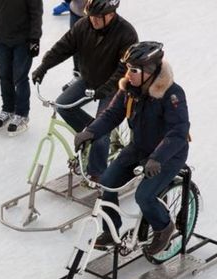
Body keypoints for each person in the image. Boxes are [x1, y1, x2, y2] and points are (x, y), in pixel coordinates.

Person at [73, 41, 190, 256]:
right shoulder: (130, 90)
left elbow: (178, 131)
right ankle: (111, 230)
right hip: (139, 148)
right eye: (128, 68)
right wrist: (90, 131)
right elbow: (111, 114)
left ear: (150, 71)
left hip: (167, 155)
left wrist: (157, 158)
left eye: (134, 70)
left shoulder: (172, 94)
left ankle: (164, 227)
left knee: (144, 196)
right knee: (107, 183)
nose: (129, 73)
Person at [32, 0, 137, 182]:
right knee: (63, 105)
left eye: (97, 17)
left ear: (110, 15)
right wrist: (44, 66)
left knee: (101, 125)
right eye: (90, 16)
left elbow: (124, 70)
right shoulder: (84, 25)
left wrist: (104, 90)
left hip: (113, 88)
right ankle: (92, 135)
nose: (92, 21)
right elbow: (63, 47)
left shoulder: (126, 33)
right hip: (89, 79)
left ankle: (98, 174)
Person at [0, 0, 43, 135]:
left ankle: (22, 114)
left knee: (20, 77)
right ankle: (8, 108)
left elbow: (36, 11)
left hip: (23, 40)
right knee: (4, 75)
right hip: (0, 38)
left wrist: (35, 38)